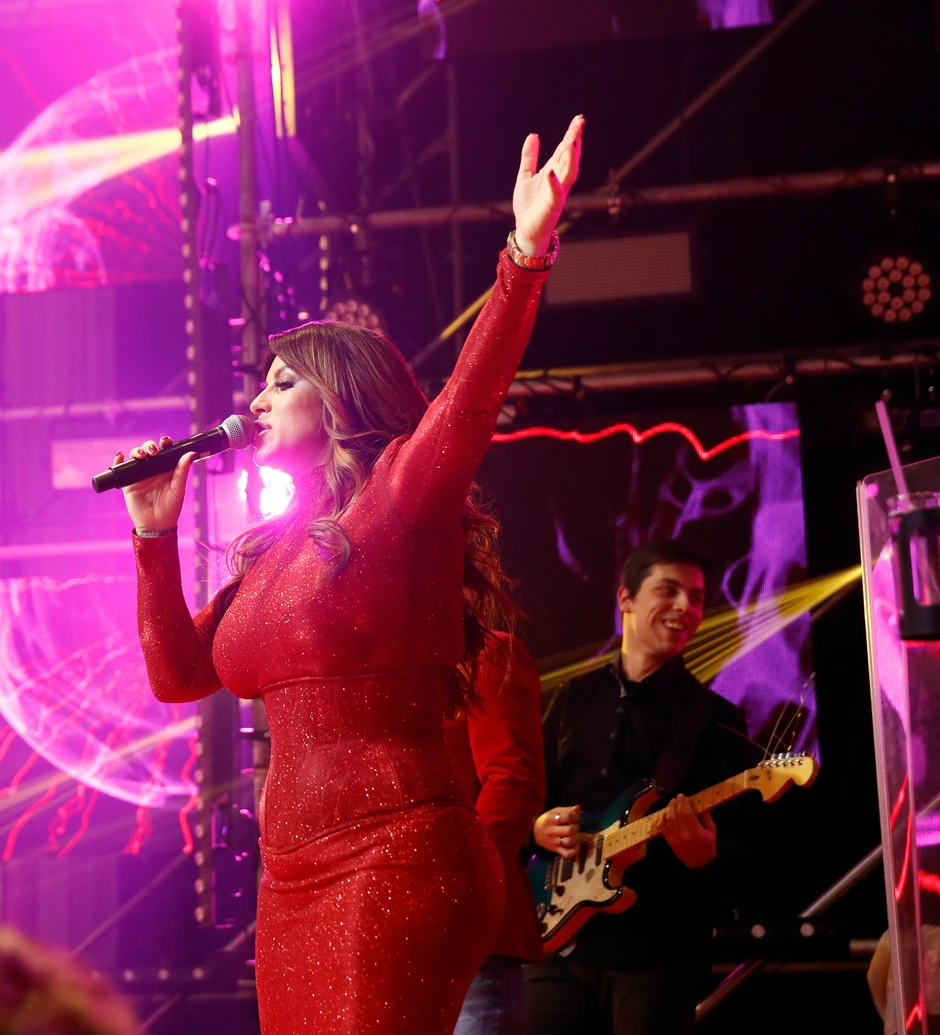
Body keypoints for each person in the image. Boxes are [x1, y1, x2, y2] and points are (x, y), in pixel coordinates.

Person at [114, 116, 583, 1035]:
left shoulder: (400, 497)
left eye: (284, 381)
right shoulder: (272, 550)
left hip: (397, 855)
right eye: (262, 381)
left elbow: (471, 397)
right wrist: (154, 537)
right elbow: (177, 675)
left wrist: (524, 255)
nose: (257, 399)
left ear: (341, 396)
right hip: (290, 878)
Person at [524, 540, 760, 1035]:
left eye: (696, 597)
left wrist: (707, 858)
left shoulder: (716, 720)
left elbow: (750, 852)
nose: (685, 607)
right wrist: (538, 827)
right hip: (554, 945)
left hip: (658, 957)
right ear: (625, 599)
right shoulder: (574, 696)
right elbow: (527, 798)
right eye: (669, 591)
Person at [444, 633, 546, 1035]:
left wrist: (455, 887)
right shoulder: (381, 662)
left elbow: (512, 781)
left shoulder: (484, 653)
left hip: (465, 925)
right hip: (385, 930)